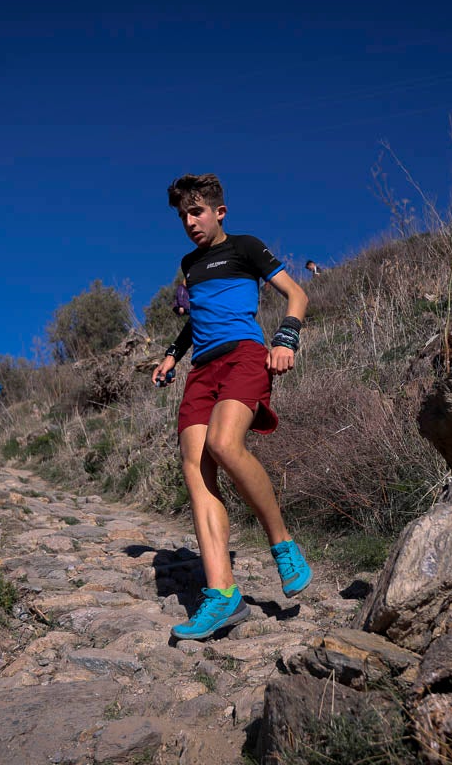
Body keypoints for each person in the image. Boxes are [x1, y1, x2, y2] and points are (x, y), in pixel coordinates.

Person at [152, 173, 312, 641]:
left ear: (219, 211)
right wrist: (171, 355)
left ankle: (281, 543)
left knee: (224, 443)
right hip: (201, 370)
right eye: (183, 215)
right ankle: (223, 596)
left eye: (197, 211)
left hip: (244, 355)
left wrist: (286, 339)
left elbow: (297, 295)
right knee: (196, 470)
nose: (189, 221)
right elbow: (197, 319)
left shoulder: (245, 247)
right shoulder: (189, 264)